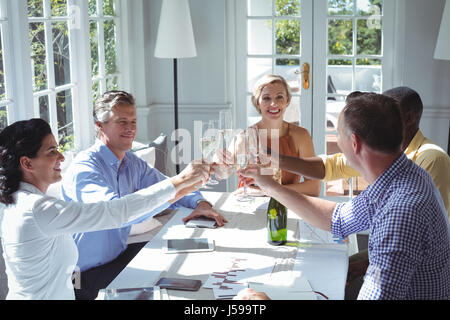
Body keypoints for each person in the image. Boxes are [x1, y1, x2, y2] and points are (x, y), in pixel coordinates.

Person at [240, 93, 450, 300]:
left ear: (354, 143)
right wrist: (270, 186)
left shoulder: (401, 213)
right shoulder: (401, 174)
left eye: (338, 134)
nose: (337, 143)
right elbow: (338, 219)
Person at [0, 118, 208, 299]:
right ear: (27, 163)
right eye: (51, 151)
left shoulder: (22, 202)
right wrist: (180, 181)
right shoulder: (38, 209)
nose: (61, 157)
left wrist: (184, 186)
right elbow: (116, 212)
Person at [61, 90, 227, 300]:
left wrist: (200, 202)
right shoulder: (85, 169)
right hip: (83, 275)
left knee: (193, 269)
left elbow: (165, 186)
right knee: (173, 293)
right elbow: (119, 213)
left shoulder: (131, 162)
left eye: (133, 121)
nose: (130, 128)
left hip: (117, 258)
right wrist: (183, 180)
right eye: (122, 121)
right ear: (99, 126)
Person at [215, 74, 320, 197]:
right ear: (257, 103)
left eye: (279, 97)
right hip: (249, 204)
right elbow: (222, 172)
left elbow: (314, 188)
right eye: (266, 98)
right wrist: (220, 164)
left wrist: (267, 191)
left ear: (287, 101)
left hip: (288, 206)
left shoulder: (301, 136)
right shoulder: (245, 137)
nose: (273, 103)